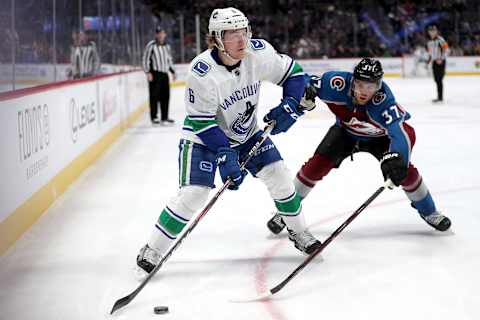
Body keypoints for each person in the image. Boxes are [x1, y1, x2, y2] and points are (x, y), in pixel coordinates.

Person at [135, 7, 321, 276]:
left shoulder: (257, 53)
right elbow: (202, 121)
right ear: (216, 38)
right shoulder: (202, 72)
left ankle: (299, 231)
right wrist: (224, 153)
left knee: (279, 175)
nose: (241, 39)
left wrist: (291, 104)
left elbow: (294, 73)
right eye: (232, 34)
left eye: (243, 31)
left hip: (246, 134)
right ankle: (153, 248)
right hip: (203, 137)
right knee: (195, 193)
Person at [267, 58, 452, 236]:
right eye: (361, 85)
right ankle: (286, 213)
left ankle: (430, 212)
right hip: (345, 133)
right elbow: (305, 81)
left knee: (407, 173)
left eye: (371, 86)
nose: (365, 91)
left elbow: (402, 133)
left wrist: (398, 158)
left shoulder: (384, 101)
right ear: (352, 81)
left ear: (378, 86)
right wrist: (304, 91)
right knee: (314, 167)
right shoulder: (336, 83)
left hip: (381, 138)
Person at [142, 26, 176, 125]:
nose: (161, 35)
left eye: (163, 33)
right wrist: (148, 72)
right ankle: (154, 117)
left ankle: (164, 117)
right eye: (159, 33)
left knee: (165, 96)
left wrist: (173, 72)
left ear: (165, 34)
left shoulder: (167, 46)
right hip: (155, 74)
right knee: (154, 96)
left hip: (164, 74)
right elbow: (145, 59)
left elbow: (169, 60)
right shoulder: (151, 46)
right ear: (156, 35)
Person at [426, 25, 449, 103]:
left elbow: (447, 50)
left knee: (439, 79)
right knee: (436, 79)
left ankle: (440, 97)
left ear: (436, 31)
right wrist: (429, 60)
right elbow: (430, 53)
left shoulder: (441, 40)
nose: (432, 33)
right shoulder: (429, 42)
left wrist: (441, 59)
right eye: (430, 31)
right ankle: (439, 96)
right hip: (434, 62)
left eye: (433, 31)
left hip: (440, 62)